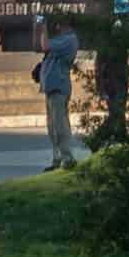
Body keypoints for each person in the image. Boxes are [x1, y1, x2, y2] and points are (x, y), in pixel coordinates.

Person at [39, 16, 81, 169]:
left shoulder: (69, 40)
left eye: (59, 23)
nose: (57, 26)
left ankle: (67, 157)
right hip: (51, 87)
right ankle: (57, 157)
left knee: (59, 125)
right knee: (52, 126)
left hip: (59, 87)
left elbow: (44, 45)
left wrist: (43, 26)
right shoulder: (61, 39)